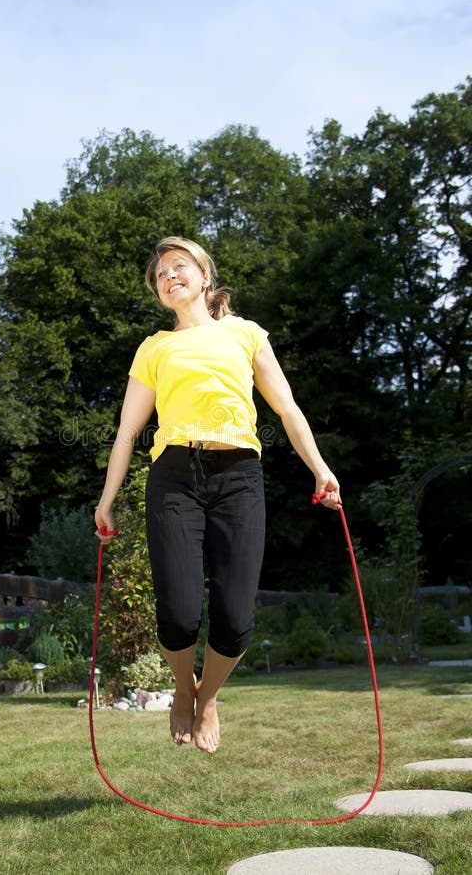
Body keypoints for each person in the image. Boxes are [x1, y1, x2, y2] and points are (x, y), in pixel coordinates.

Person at [94, 236, 340, 754]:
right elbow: (126, 432)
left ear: (205, 277)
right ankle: (185, 688)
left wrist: (320, 469)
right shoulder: (155, 347)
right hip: (175, 476)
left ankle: (210, 699)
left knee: (234, 616)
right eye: (160, 275)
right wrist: (106, 499)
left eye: (178, 267)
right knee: (179, 612)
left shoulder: (245, 334)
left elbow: (288, 409)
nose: (168, 277)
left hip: (239, 476)